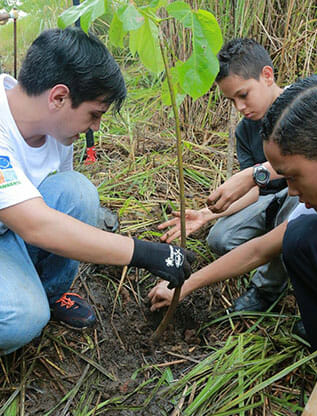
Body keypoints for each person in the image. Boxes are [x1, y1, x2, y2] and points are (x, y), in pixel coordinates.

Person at [0, 27, 194, 356]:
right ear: (58, 98)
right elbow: (37, 225)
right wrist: (144, 254)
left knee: (78, 191)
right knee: (22, 317)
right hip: (19, 224)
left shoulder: (53, 128)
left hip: (11, 226)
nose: (95, 128)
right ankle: (25, 303)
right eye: (94, 115)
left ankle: (49, 292)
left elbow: (59, 203)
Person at [149, 71, 317, 356]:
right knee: (302, 237)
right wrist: (184, 285)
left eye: (293, 177)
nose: (291, 192)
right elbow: (260, 250)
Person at [158, 38, 299, 313]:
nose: (239, 107)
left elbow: (308, 161)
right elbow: (257, 189)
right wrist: (207, 214)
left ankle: (268, 286)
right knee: (220, 238)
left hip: (306, 196)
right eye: (231, 100)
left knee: (291, 208)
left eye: (243, 95)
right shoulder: (246, 130)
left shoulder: (301, 105)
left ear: (267, 76)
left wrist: (254, 173)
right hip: (272, 197)